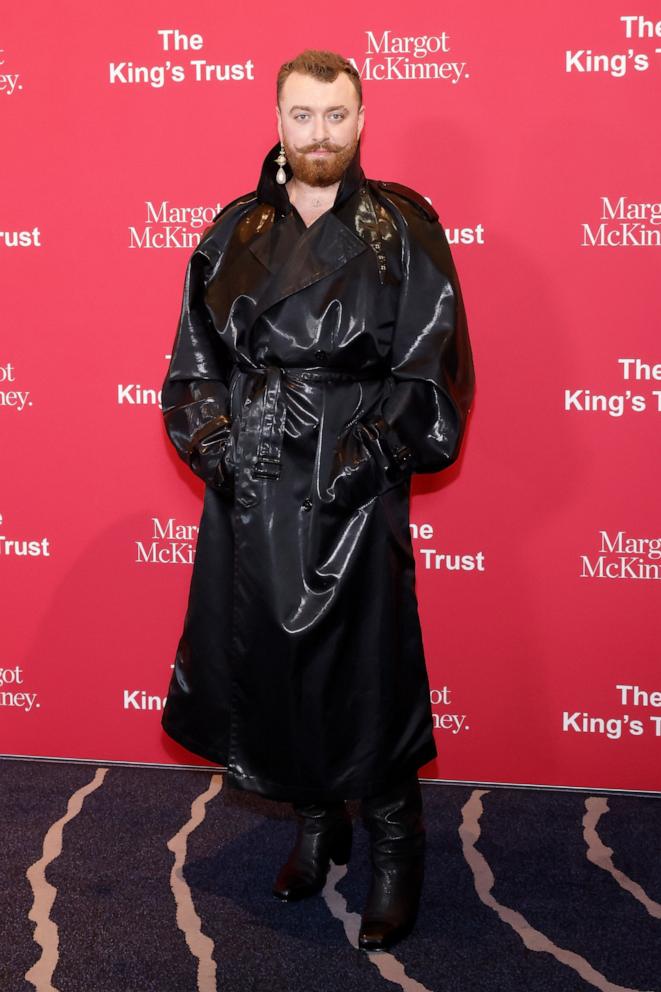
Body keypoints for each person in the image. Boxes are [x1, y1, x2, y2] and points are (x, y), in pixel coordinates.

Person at [160, 49, 475, 951]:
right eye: (303, 115)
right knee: (269, 658)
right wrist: (218, 447)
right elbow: (193, 364)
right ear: (278, 118)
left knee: (364, 666)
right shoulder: (232, 232)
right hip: (254, 477)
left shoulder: (402, 227)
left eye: (336, 116)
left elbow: (434, 364)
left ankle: (394, 845)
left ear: (363, 118)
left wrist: (369, 453)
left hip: (351, 474)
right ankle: (312, 824)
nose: (320, 134)